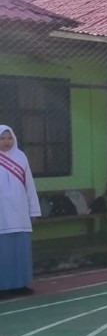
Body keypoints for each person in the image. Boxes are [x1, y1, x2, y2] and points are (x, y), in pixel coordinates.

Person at [0, 125, 41, 297]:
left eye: (9, 138)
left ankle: (21, 284)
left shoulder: (21, 156)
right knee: (4, 251)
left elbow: (29, 185)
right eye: (2, 138)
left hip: (20, 212)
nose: (6, 142)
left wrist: (34, 211)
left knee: (20, 251)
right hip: (1, 213)